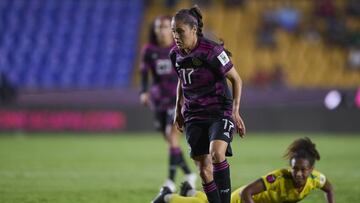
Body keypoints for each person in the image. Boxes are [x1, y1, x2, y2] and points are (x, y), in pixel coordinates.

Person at [153, 5, 246, 203]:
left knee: (217, 153)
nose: (176, 36)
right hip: (193, 116)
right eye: (173, 31)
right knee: (204, 171)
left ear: (193, 30)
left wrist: (235, 112)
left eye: (180, 31)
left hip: (219, 112)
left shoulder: (212, 51)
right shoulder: (175, 54)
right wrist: (178, 109)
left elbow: (236, 79)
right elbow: (182, 80)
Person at [152, 137, 335, 203]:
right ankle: (167, 197)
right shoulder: (278, 178)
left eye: (303, 170)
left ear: (311, 169)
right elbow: (248, 192)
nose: (298, 173)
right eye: (295, 168)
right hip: (242, 199)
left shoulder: (316, 179)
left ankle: (189, 191)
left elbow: (329, 188)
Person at [140, 15, 196, 192]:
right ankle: (189, 174)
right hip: (158, 100)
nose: (162, 31)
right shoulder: (149, 50)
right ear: (154, 30)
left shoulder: (178, 48)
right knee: (170, 141)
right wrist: (143, 92)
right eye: (158, 27)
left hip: (177, 99)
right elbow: (143, 73)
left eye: (165, 27)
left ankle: (170, 182)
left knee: (172, 137)